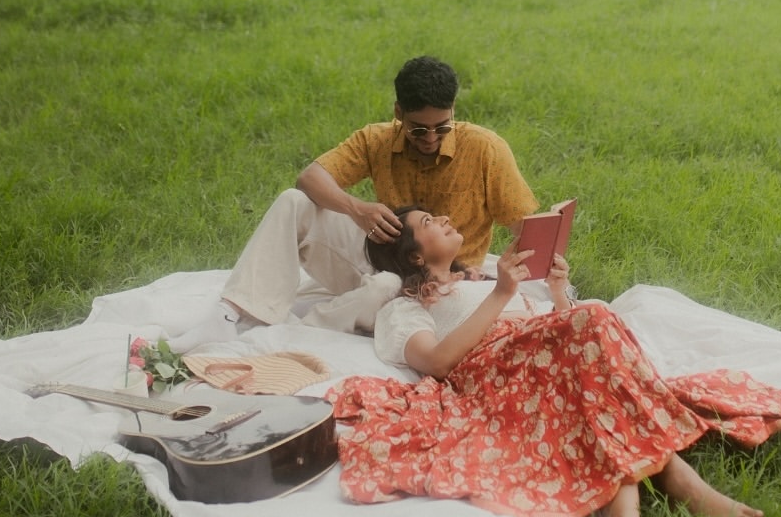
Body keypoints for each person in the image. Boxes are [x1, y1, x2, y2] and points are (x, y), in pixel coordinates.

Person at [329, 207, 781, 517]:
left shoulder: (486, 276)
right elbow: (436, 362)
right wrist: (504, 296)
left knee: (589, 350)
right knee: (593, 330)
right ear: (416, 256)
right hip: (495, 373)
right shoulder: (408, 306)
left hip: (558, 359)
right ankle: (683, 485)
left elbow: (560, 324)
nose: (443, 218)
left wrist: (558, 292)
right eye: (428, 222)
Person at [200, 56, 538, 338]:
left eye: (442, 127)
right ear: (398, 113)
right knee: (294, 201)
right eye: (419, 129)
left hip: (444, 284)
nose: (431, 138)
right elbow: (310, 178)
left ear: (454, 112)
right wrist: (356, 208)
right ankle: (231, 313)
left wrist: (536, 269)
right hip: (383, 257)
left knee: (385, 287)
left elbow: (526, 227)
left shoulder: (485, 148)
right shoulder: (375, 140)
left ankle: (297, 332)